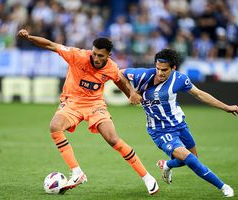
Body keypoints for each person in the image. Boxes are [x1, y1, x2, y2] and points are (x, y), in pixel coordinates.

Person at [17, 29, 159, 195]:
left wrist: (131, 94)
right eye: (95, 54)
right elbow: (51, 45)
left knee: (112, 139)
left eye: (101, 56)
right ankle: (77, 172)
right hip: (72, 102)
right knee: (55, 126)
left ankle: (147, 177)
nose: (96, 58)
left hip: (95, 104)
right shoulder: (77, 55)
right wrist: (29, 37)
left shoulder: (111, 67)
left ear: (109, 55)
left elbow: (120, 80)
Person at [120, 48, 238, 197]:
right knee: (190, 159)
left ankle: (167, 165)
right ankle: (224, 187)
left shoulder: (180, 79)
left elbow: (199, 94)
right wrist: (131, 92)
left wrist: (226, 107)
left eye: (164, 70)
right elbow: (120, 73)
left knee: (191, 159)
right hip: (160, 131)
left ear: (173, 68)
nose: (160, 73)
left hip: (180, 125)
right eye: (158, 68)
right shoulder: (143, 75)